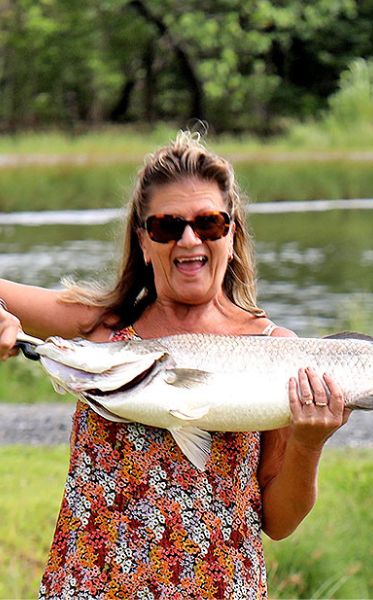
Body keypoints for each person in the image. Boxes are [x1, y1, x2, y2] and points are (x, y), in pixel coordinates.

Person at [0, 131, 351, 597]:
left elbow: (279, 522)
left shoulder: (275, 349)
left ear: (231, 233)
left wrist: (309, 444)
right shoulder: (100, 327)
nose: (189, 239)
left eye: (208, 223)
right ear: (144, 241)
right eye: (167, 226)